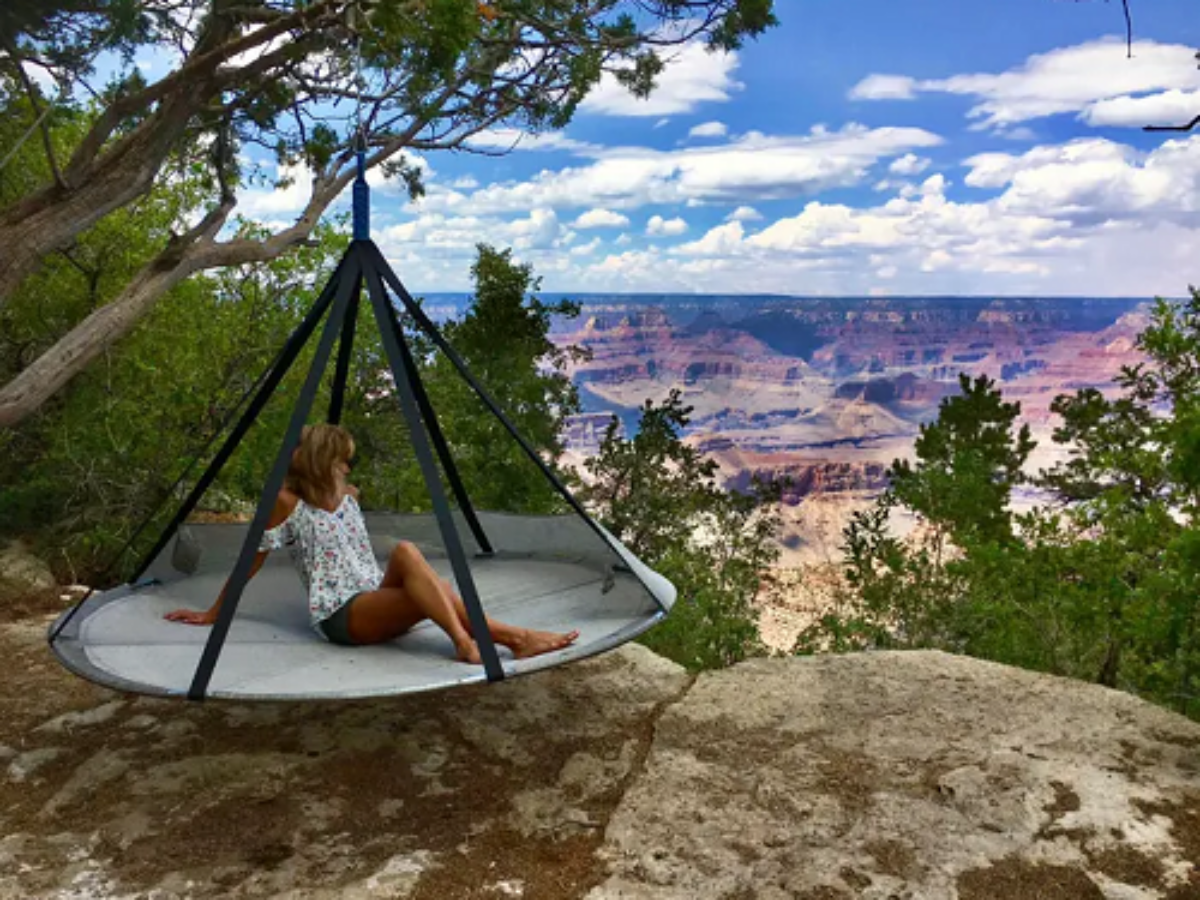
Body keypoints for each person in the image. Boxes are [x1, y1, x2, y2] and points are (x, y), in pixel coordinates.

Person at [165, 423, 579, 664]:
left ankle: (490, 640)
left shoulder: (349, 496)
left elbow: (358, 538)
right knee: (438, 593)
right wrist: (213, 614)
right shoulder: (285, 503)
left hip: (370, 593)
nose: (347, 465)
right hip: (341, 614)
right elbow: (250, 561)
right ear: (319, 460)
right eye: (341, 458)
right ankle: (492, 640)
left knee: (407, 554)